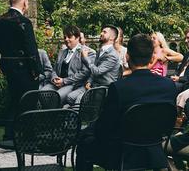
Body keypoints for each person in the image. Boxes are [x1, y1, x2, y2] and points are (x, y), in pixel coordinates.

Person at [76, 34, 177, 171]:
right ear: (152, 58)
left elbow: (105, 127)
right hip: (154, 147)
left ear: (127, 57)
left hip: (123, 152)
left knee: (84, 140)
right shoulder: (169, 85)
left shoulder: (119, 88)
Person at [0, 0, 42, 137]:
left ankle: (9, 136)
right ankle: (28, 136)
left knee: (14, 100)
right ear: (25, 3)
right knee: (29, 102)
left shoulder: (0, 20)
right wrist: (36, 71)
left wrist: (3, 66)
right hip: (25, 70)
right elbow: (31, 48)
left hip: (9, 70)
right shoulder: (24, 22)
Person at [67, 26, 122, 105]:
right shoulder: (100, 51)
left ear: (112, 37)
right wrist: (89, 81)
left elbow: (97, 71)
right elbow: (94, 69)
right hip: (92, 85)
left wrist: (86, 58)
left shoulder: (112, 55)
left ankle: (79, 115)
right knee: (70, 97)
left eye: (104, 32)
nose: (101, 33)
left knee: (79, 100)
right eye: (102, 31)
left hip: (102, 88)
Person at [42, 25, 95, 104]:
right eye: (65, 37)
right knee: (42, 93)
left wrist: (64, 81)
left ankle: (56, 115)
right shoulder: (62, 52)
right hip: (57, 82)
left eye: (69, 37)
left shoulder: (87, 52)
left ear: (77, 38)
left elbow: (84, 73)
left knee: (57, 97)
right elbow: (54, 69)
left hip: (73, 84)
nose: (66, 39)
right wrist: (54, 78)